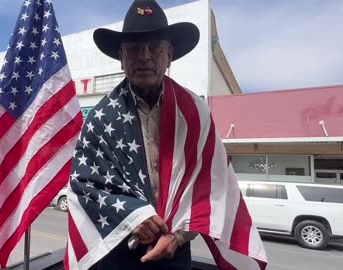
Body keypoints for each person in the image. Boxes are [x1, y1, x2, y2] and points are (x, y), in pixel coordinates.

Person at [66, 1, 267, 270]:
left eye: (155, 47)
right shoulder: (101, 118)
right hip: (118, 253)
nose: (145, 56)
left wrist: (178, 236)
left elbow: (213, 186)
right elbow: (84, 184)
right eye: (134, 49)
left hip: (176, 252)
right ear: (121, 58)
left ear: (169, 54)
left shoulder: (195, 112)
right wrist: (131, 217)